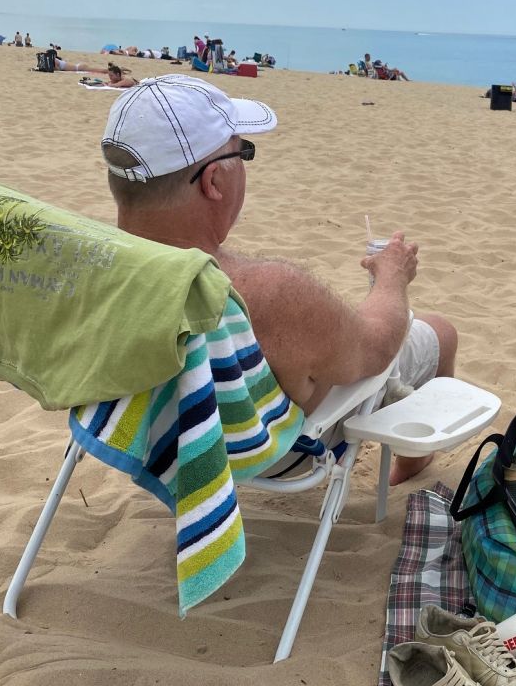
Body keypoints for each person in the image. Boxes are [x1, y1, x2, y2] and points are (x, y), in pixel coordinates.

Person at [99, 76, 459, 485]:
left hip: (146, 439)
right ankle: (413, 465)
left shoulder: (95, 267)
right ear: (213, 181)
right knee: (440, 332)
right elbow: (376, 347)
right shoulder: (265, 292)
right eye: (243, 152)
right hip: (270, 452)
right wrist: (391, 278)